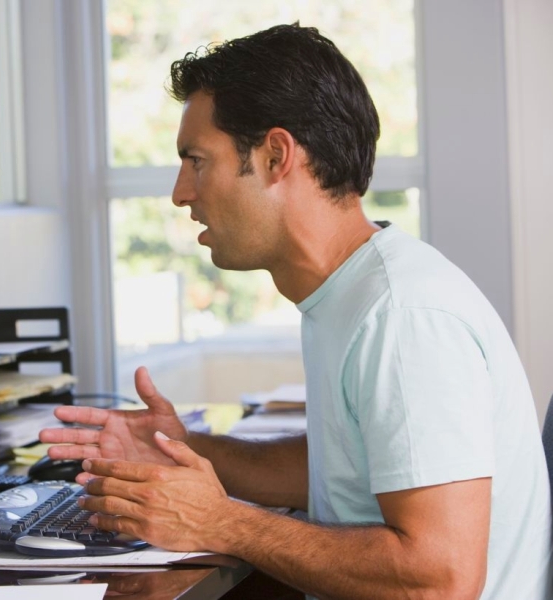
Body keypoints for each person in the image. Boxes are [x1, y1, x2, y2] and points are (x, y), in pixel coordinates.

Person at [40, 23, 552, 599]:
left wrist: (220, 522)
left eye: (197, 161)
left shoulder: (402, 317)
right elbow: (349, 466)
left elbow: (440, 581)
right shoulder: (351, 294)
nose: (181, 193)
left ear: (275, 156)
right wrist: (184, 448)